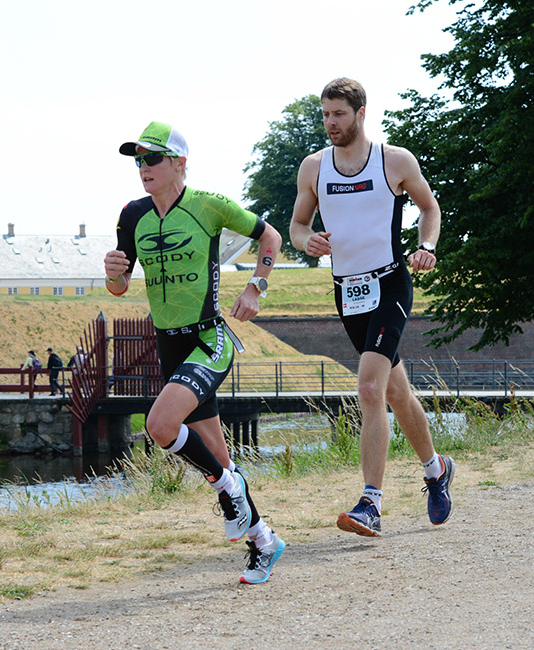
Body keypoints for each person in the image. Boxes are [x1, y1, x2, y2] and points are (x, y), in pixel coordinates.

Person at [104, 121, 286, 584]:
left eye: (153, 158)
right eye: (138, 159)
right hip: (170, 346)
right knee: (219, 458)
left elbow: (272, 238)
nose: (143, 167)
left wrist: (255, 286)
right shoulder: (131, 215)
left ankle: (228, 487)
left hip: (210, 340)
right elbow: (120, 287)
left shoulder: (209, 205)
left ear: (179, 163)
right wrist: (112, 272)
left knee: (160, 426)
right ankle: (264, 541)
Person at [289, 78, 454, 537]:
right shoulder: (314, 168)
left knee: (368, 389)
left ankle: (371, 503)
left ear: (360, 113)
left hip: (390, 283)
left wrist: (427, 246)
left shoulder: (394, 161)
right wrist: (309, 242)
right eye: (324, 115)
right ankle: (436, 469)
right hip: (347, 291)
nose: (330, 123)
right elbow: (298, 225)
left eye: (338, 114)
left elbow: (430, 208)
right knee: (396, 393)